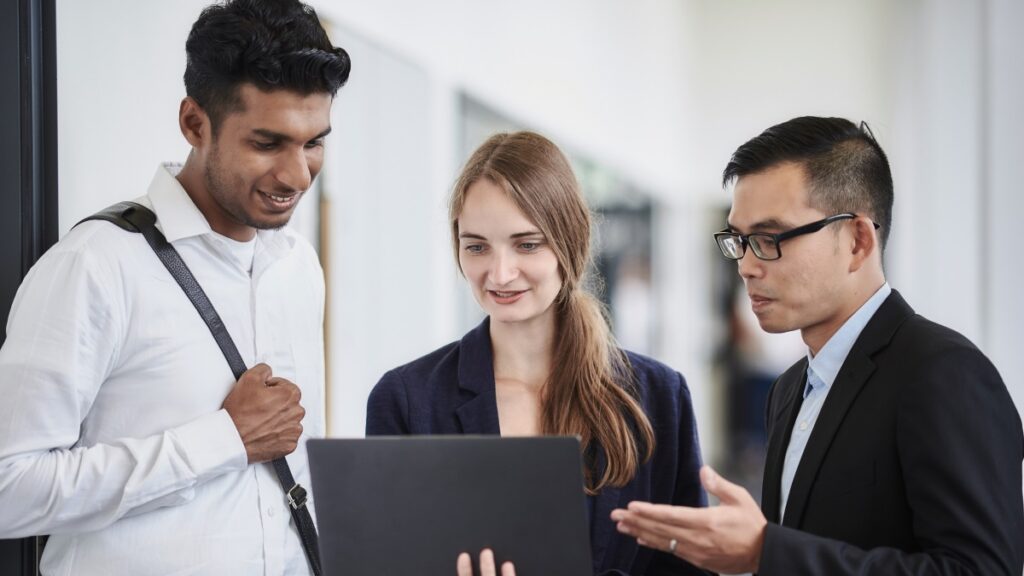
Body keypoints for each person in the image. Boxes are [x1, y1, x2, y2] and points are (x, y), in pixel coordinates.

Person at [0, 1, 350, 574]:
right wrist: (222, 440)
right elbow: (8, 487)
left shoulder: (298, 268)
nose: (296, 175)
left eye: (313, 143)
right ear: (194, 123)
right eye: (267, 143)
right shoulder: (96, 266)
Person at [612, 116, 1024, 575]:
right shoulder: (790, 390)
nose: (746, 266)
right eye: (740, 241)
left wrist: (765, 550)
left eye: (769, 239)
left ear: (857, 240)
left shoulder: (944, 374)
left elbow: (982, 570)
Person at [366, 131, 707, 576]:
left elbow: (690, 569)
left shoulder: (659, 396)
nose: (500, 273)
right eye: (477, 246)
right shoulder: (407, 399)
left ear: (569, 242)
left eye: (527, 244)